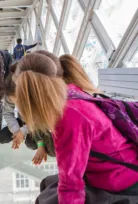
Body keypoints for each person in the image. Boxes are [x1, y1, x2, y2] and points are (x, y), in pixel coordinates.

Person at [13, 52, 138, 204]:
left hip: (121, 180)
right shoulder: (72, 92)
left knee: (46, 198)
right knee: (48, 185)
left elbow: (71, 185)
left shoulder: (68, 117)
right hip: (122, 166)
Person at [0, 62, 55, 164]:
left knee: (32, 144)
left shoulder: (39, 95)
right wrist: (16, 131)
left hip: (38, 122)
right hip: (24, 120)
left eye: (20, 102)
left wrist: (23, 131)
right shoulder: (10, 91)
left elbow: (39, 120)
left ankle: (36, 139)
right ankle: (30, 136)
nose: (19, 105)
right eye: (15, 102)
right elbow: (7, 113)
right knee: (2, 138)